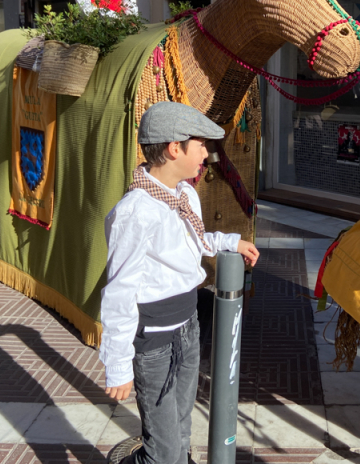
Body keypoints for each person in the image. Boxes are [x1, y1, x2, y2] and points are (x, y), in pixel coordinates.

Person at [100, 101, 259, 464]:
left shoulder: (184, 194)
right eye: (200, 143)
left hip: (187, 326)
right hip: (154, 340)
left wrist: (229, 242)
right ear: (175, 148)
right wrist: (119, 363)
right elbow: (120, 291)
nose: (207, 152)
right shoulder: (136, 211)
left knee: (182, 424)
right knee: (164, 448)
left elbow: (195, 240)